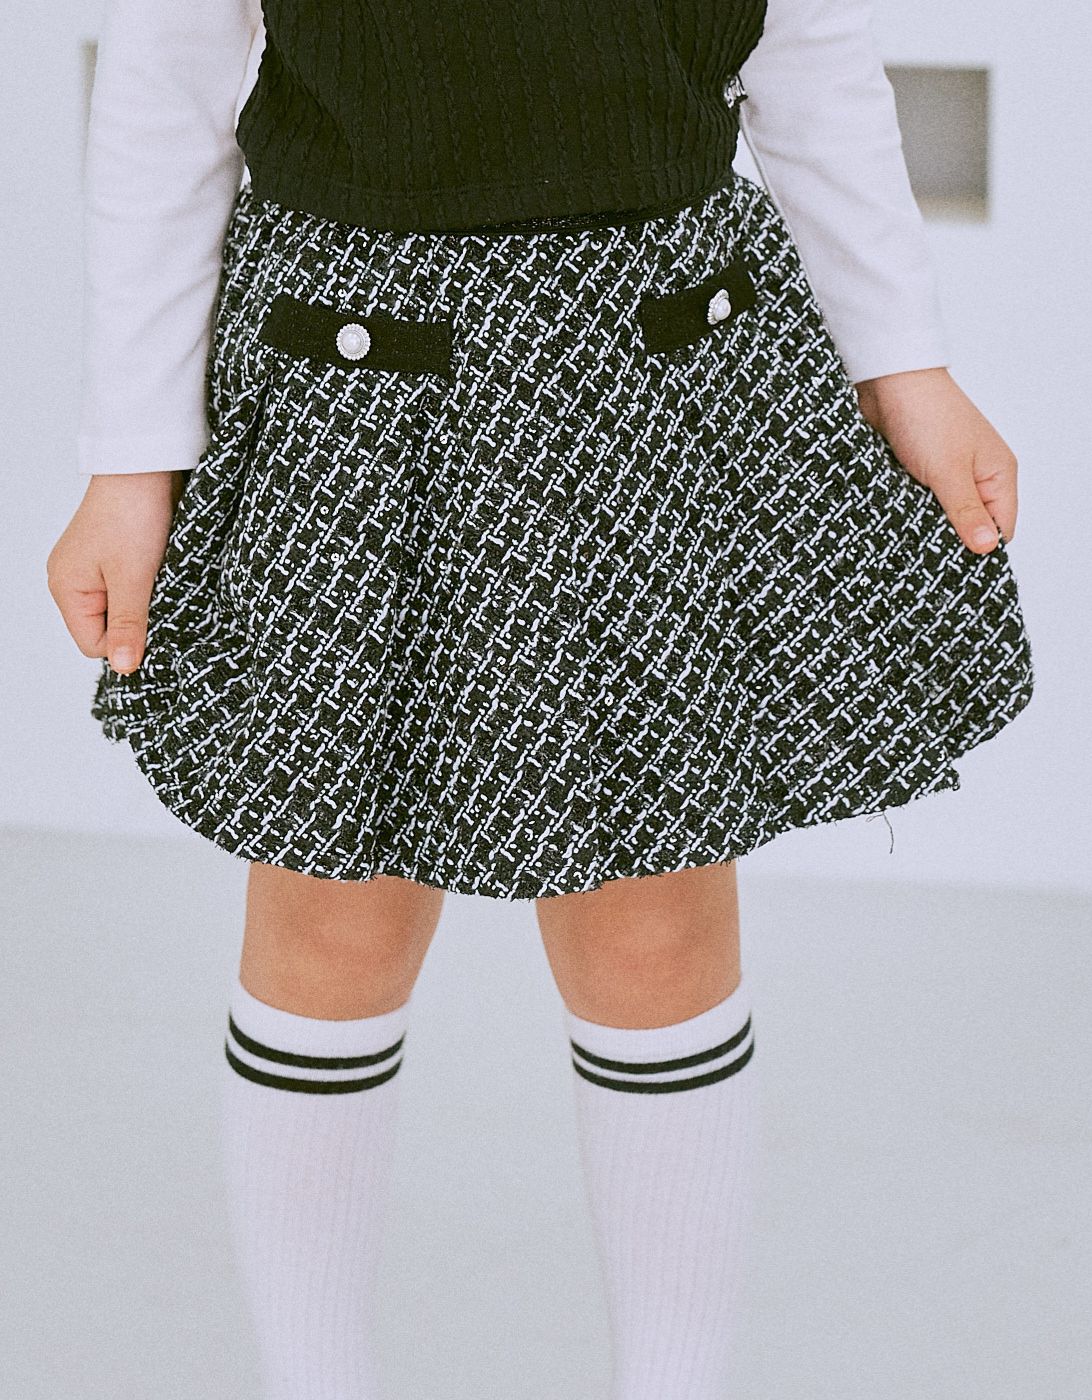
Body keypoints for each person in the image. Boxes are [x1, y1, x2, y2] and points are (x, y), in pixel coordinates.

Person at [46, 0, 1035, 1395]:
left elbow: (805, 49)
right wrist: (132, 458)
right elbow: (167, 88)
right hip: (354, 383)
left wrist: (905, 361)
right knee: (332, 914)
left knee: (656, 926)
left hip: (655, 376)